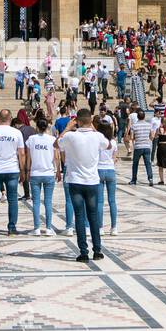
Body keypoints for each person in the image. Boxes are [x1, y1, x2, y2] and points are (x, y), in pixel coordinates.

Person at [57, 108, 109, 261]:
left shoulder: (71, 136)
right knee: (93, 216)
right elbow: (108, 145)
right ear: (90, 121)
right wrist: (92, 127)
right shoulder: (97, 136)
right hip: (92, 181)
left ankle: (84, 252)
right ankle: (97, 250)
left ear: (77, 121)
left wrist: (66, 128)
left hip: (75, 181)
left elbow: (56, 144)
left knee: (79, 216)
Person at [25, 118, 58, 235]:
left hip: (35, 173)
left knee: (36, 202)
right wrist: (58, 170)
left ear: (37, 127)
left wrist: (27, 170)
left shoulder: (31, 139)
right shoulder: (52, 139)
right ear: (47, 127)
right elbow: (56, 157)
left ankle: (37, 228)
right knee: (48, 202)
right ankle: (49, 228)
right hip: (48, 173)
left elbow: (28, 157)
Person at [96, 121, 120, 235]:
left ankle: (100, 227)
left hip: (99, 170)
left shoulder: (98, 143)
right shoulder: (113, 142)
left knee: (99, 201)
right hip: (110, 170)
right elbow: (115, 158)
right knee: (112, 201)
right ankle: (114, 227)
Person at [126, 108, 154, 185]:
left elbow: (132, 137)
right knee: (148, 163)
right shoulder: (149, 125)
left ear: (137, 117)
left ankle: (134, 179)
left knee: (135, 163)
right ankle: (150, 178)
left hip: (138, 146)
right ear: (144, 117)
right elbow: (151, 136)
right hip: (147, 146)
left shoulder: (134, 126)